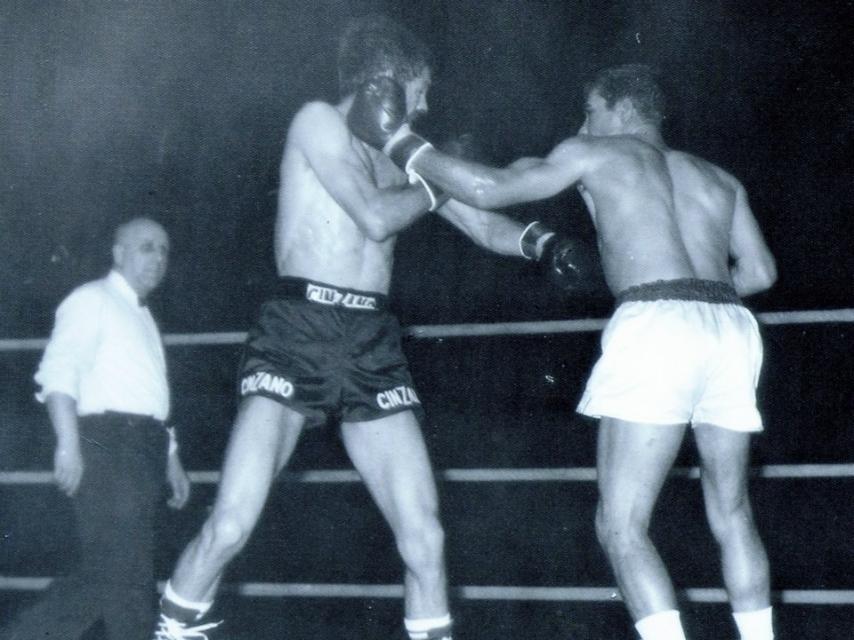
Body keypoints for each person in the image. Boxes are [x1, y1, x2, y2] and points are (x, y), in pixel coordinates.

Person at [152, 14, 572, 640]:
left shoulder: (400, 148)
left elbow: (482, 223)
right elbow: (375, 218)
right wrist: (431, 180)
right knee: (231, 526)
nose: (427, 103)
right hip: (298, 329)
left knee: (425, 537)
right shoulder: (317, 121)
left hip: (371, 341)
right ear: (389, 78)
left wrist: (541, 242)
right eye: (421, 87)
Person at [355, 64, 778, 640]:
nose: (583, 123)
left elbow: (488, 189)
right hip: (730, 326)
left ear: (622, 110)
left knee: (622, 526)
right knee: (731, 514)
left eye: (591, 110)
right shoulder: (719, 179)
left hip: (658, 322)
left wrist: (399, 141)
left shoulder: (594, 153)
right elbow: (758, 271)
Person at [1, 217, 191, 640]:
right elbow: (58, 374)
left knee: (102, 575)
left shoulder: (141, 315)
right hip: (108, 445)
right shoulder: (92, 299)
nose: (158, 258)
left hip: (143, 448)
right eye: (146, 247)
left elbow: (149, 397)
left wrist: (171, 458)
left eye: (163, 250)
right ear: (118, 253)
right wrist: (68, 445)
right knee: (130, 578)